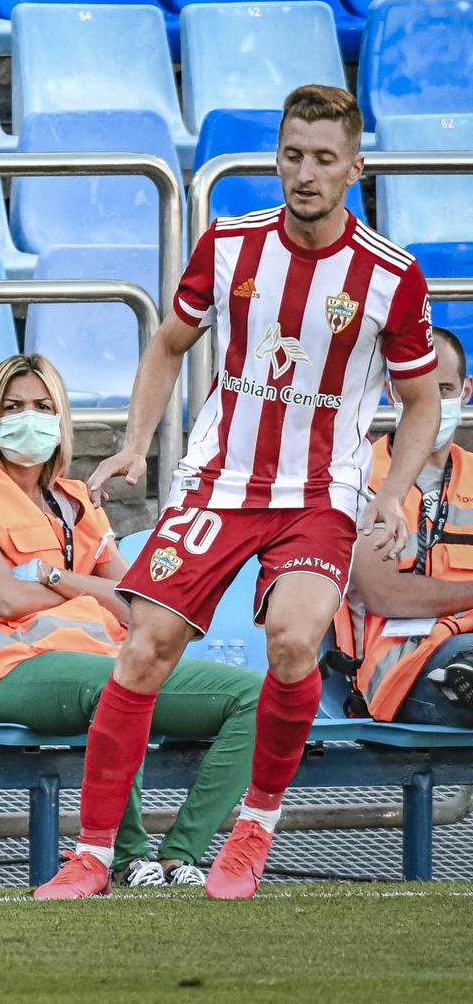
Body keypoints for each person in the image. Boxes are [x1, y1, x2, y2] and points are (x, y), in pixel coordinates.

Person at [36, 84, 442, 901]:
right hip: (218, 481)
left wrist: (393, 494)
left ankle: (254, 826)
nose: (305, 172)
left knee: (294, 642)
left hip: (319, 492)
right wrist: (137, 443)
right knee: (143, 645)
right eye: (293, 154)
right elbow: (168, 344)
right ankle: (90, 854)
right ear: (278, 156)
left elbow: (424, 398)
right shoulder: (227, 245)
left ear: (355, 167)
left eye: (325, 158)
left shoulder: (390, 275)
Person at [0, 354, 261, 888]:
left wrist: (65, 580)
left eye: (41, 406)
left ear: (61, 419)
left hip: (104, 664)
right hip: (13, 671)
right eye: (12, 408)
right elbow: (5, 599)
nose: (27, 418)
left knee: (258, 696)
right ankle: (126, 857)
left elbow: (137, 607)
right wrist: (92, 586)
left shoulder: (76, 500)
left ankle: (179, 857)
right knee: (119, 684)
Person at [337, 327, 473, 726]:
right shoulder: (361, 478)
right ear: (393, 392)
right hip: (395, 667)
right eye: (418, 388)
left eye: (444, 389)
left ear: (466, 392)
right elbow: (384, 595)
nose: (431, 403)